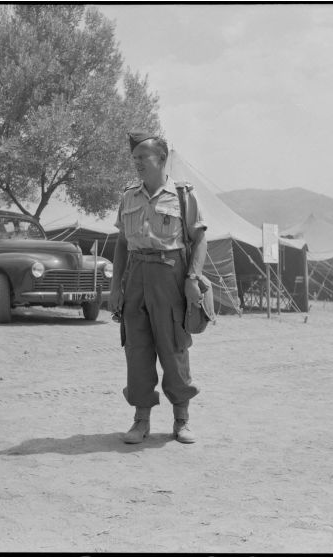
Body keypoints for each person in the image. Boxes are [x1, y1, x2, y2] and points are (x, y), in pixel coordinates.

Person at [109, 131, 208, 444]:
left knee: (174, 348)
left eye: (143, 157)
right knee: (137, 350)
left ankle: (181, 421)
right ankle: (141, 421)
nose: (137, 163)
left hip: (171, 275)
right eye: (135, 158)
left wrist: (192, 279)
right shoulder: (128, 196)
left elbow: (200, 237)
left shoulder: (182, 196)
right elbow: (122, 244)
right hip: (136, 275)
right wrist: (115, 287)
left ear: (162, 159)